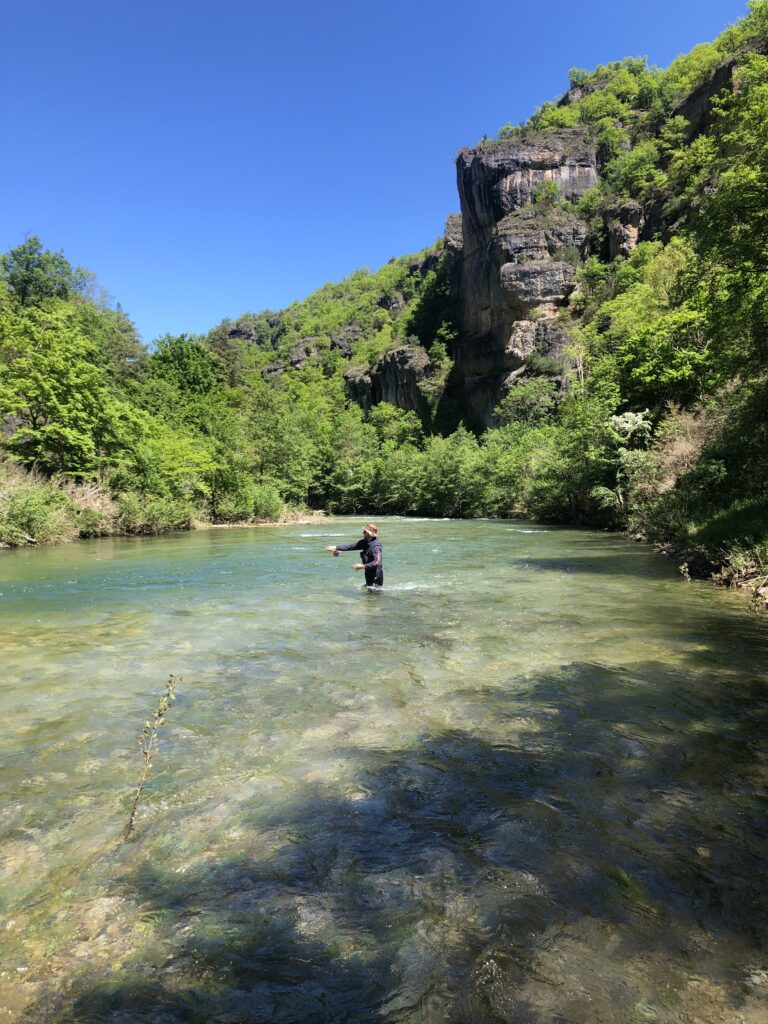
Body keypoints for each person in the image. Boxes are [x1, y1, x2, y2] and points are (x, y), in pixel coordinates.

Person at [325, 523, 383, 588]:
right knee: (369, 594)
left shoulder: (376, 546)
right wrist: (335, 547)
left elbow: (377, 561)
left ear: (368, 533)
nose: (363, 532)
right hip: (368, 572)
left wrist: (363, 566)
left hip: (376, 575)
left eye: (364, 531)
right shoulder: (365, 542)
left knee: (375, 595)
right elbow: (351, 546)